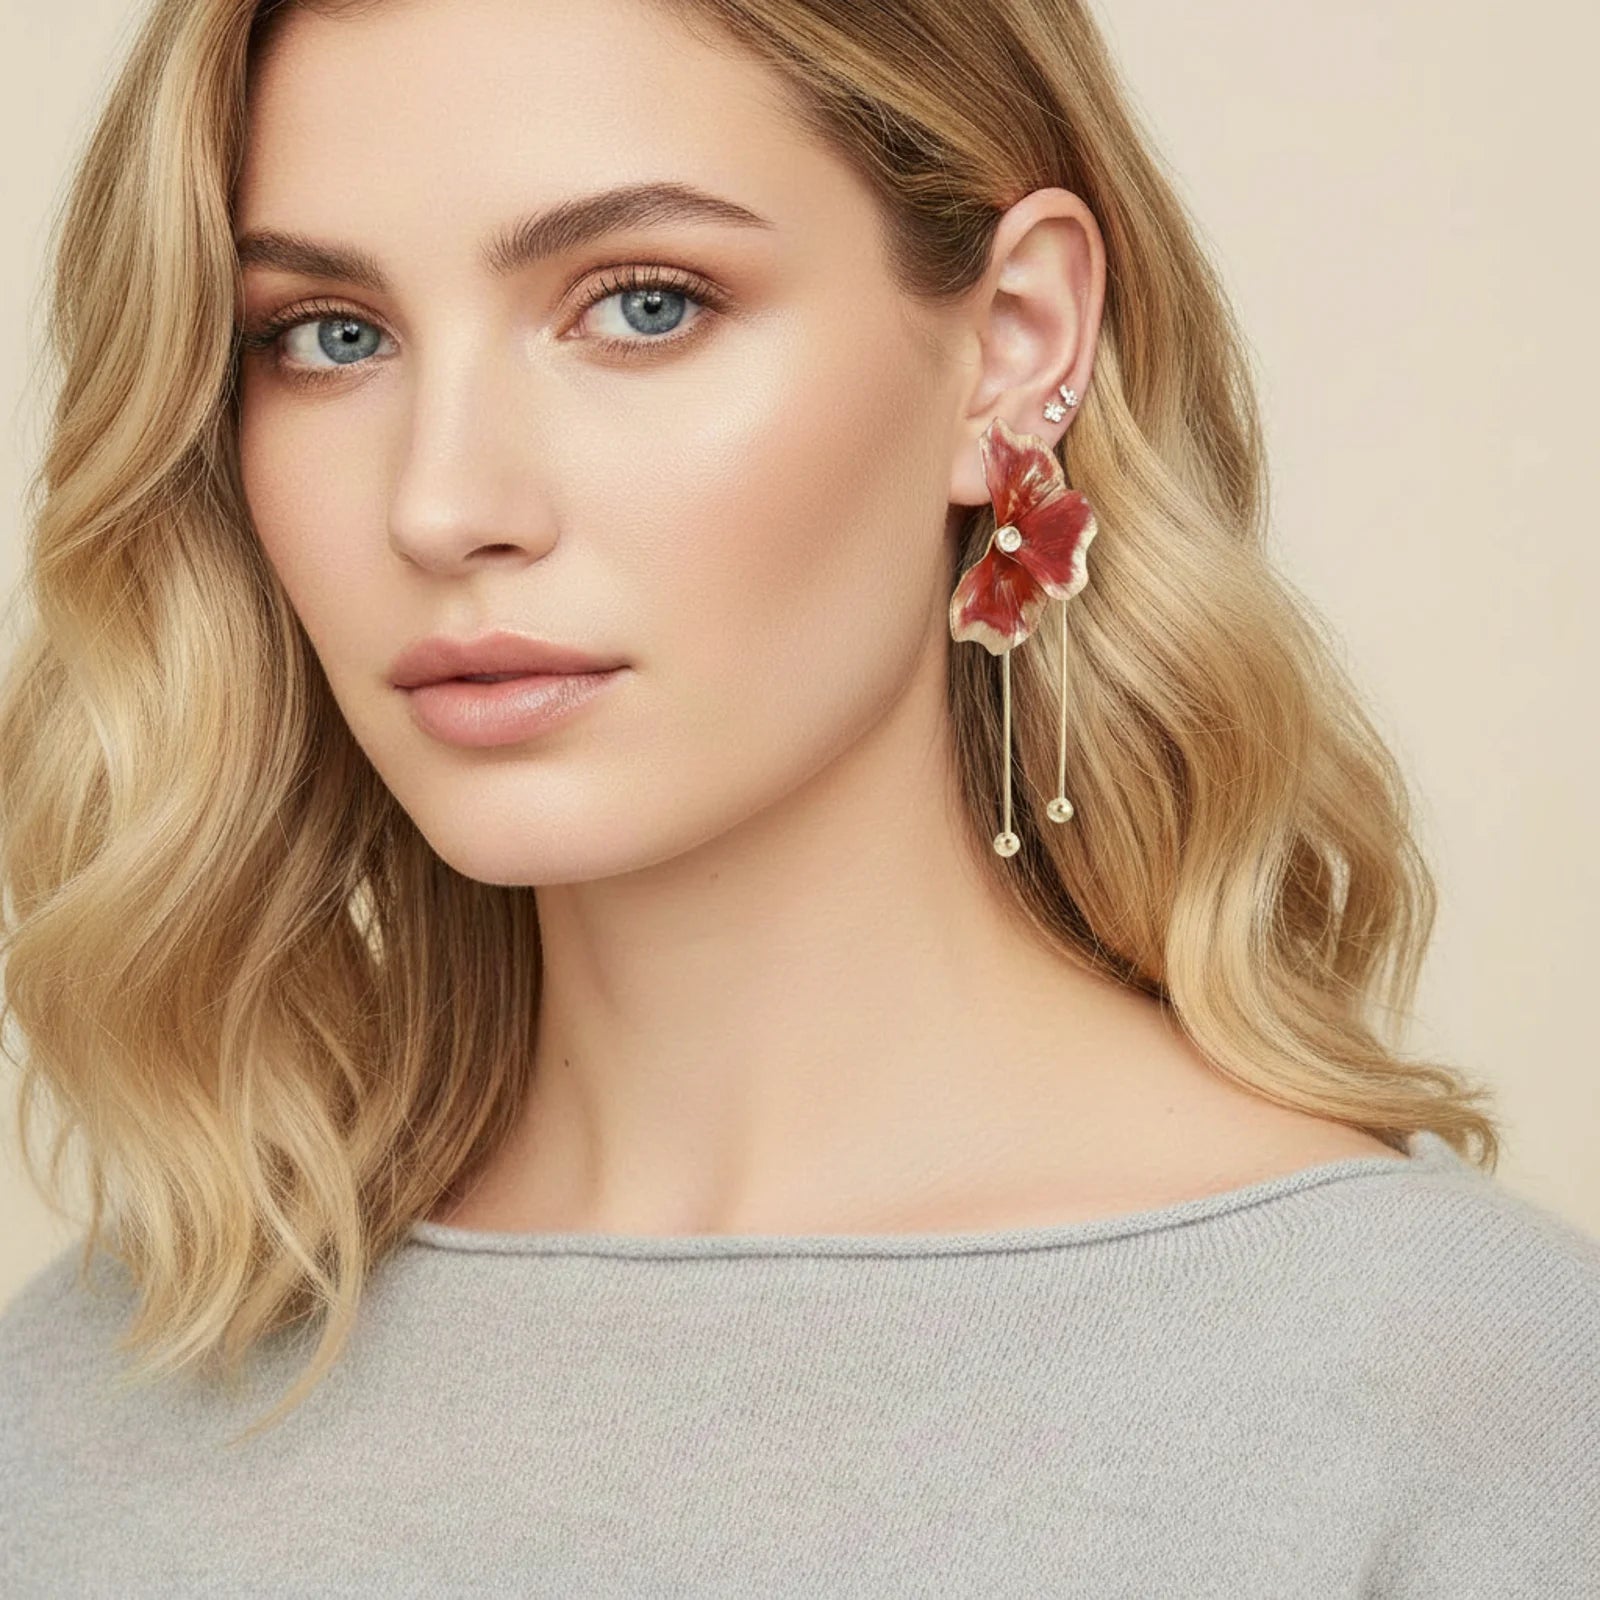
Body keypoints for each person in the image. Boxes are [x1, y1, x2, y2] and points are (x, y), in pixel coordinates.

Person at [1, 0, 1596, 1592]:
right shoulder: (86, 1402)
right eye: (330, 335)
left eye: (641, 305)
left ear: (1012, 345)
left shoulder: (1455, 1412)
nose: (444, 504)